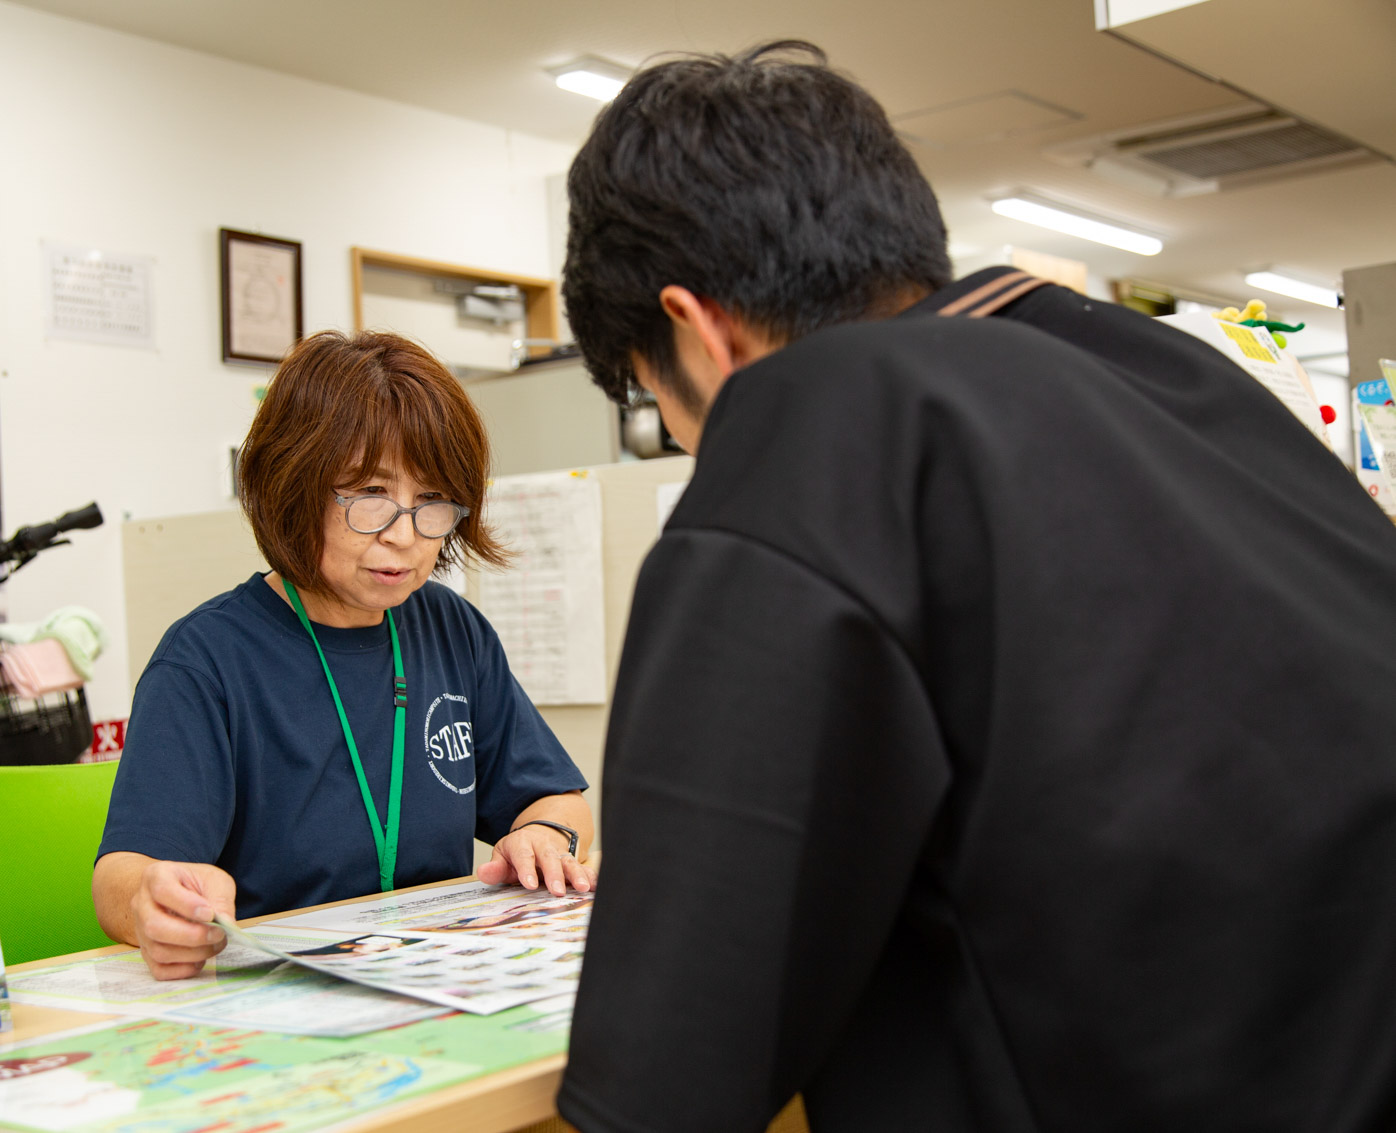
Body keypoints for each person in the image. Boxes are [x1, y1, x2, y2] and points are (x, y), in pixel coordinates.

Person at [555, 40, 1396, 1133]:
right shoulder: (1175, 381)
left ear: (695, 327)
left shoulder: (809, 419)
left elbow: (668, 1066)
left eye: (645, 397)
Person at [94, 330, 594, 981]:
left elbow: (559, 798)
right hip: (273, 994)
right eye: (370, 498)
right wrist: (151, 903)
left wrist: (547, 837)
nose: (405, 535)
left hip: (430, 979)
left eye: (433, 503)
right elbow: (119, 878)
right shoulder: (207, 658)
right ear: (294, 485)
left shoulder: (451, 628)